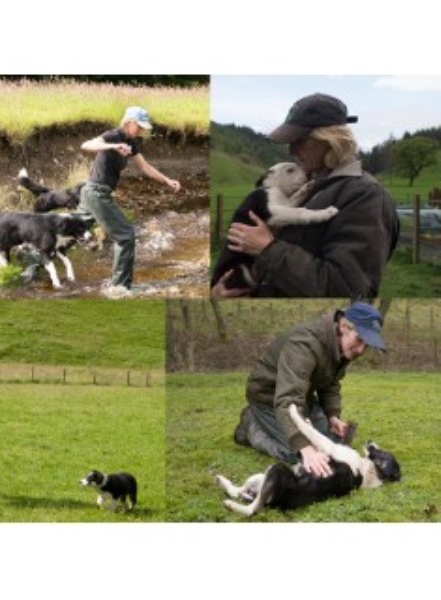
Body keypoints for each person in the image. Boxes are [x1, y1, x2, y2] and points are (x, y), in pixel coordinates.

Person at [212, 93, 399, 298]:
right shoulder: (313, 186)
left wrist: (268, 249)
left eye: (299, 141)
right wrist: (221, 291)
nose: (291, 150)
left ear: (330, 140)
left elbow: (348, 290)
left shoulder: (365, 196)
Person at [233, 302, 385, 478]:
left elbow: (331, 383)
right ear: (343, 326)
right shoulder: (304, 345)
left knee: (335, 445)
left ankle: (287, 427)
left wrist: (332, 415)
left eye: (367, 345)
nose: (361, 350)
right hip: (269, 397)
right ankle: (251, 427)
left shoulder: (341, 346)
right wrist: (305, 448)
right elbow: (287, 398)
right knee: (301, 454)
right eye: (359, 340)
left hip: (302, 396)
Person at [80, 106, 181, 293]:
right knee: (126, 236)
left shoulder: (131, 142)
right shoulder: (114, 135)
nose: (142, 130)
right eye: (140, 126)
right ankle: (120, 288)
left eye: (144, 127)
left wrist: (167, 181)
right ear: (129, 122)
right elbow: (86, 145)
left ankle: (31, 260)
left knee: (70, 229)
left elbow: (145, 168)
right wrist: (112, 146)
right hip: (95, 193)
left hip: (92, 193)